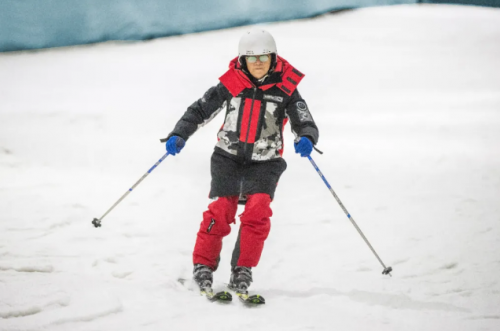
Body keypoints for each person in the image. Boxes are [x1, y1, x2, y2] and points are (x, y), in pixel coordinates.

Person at [163, 29, 319, 294]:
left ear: (273, 58)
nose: (257, 63)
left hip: (266, 161)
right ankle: (203, 265)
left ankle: (242, 269)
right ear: (242, 60)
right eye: (251, 58)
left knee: (258, 212)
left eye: (263, 57)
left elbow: (304, 119)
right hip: (228, 158)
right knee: (222, 209)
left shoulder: (286, 88)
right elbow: (200, 109)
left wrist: (306, 137)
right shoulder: (232, 82)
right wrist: (180, 133)